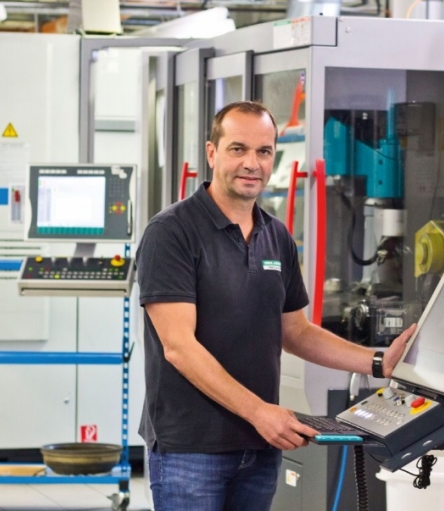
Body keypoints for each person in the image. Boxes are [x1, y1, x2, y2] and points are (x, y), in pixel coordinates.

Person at [135, 100, 416, 511]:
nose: (252, 163)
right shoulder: (172, 232)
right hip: (191, 449)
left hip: (259, 445)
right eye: (238, 149)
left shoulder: (276, 235)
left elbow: (295, 331)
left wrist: (378, 362)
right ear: (212, 153)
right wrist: (259, 412)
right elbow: (179, 346)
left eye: (264, 151)